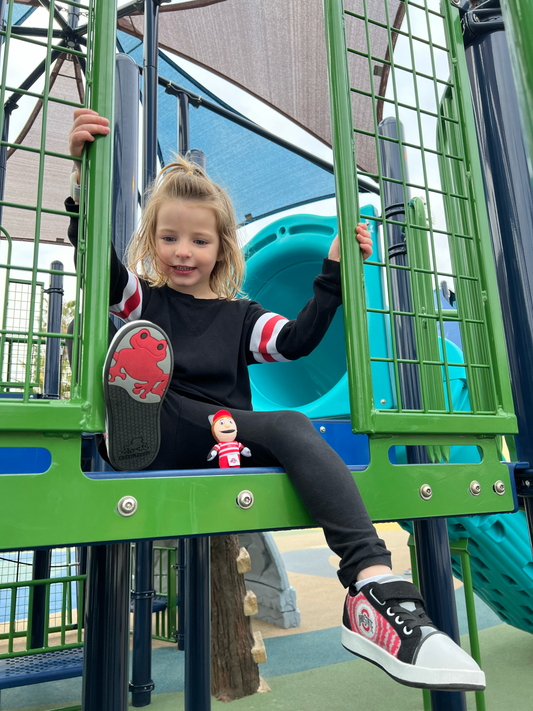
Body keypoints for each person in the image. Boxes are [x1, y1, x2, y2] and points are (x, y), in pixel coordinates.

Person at [67, 108, 485, 691]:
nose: (182, 251)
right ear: (151, 240)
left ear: (222, 248)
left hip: (221, 441)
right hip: (161, 424)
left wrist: (334, 273)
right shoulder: (147, 302)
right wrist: (84, 185)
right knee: (141, 357)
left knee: (287, 423)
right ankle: (130, 408)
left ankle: (373, 586)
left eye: (198, 240)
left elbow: (296, 341)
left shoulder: (240, 317)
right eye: (168, 238)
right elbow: (104, 273)